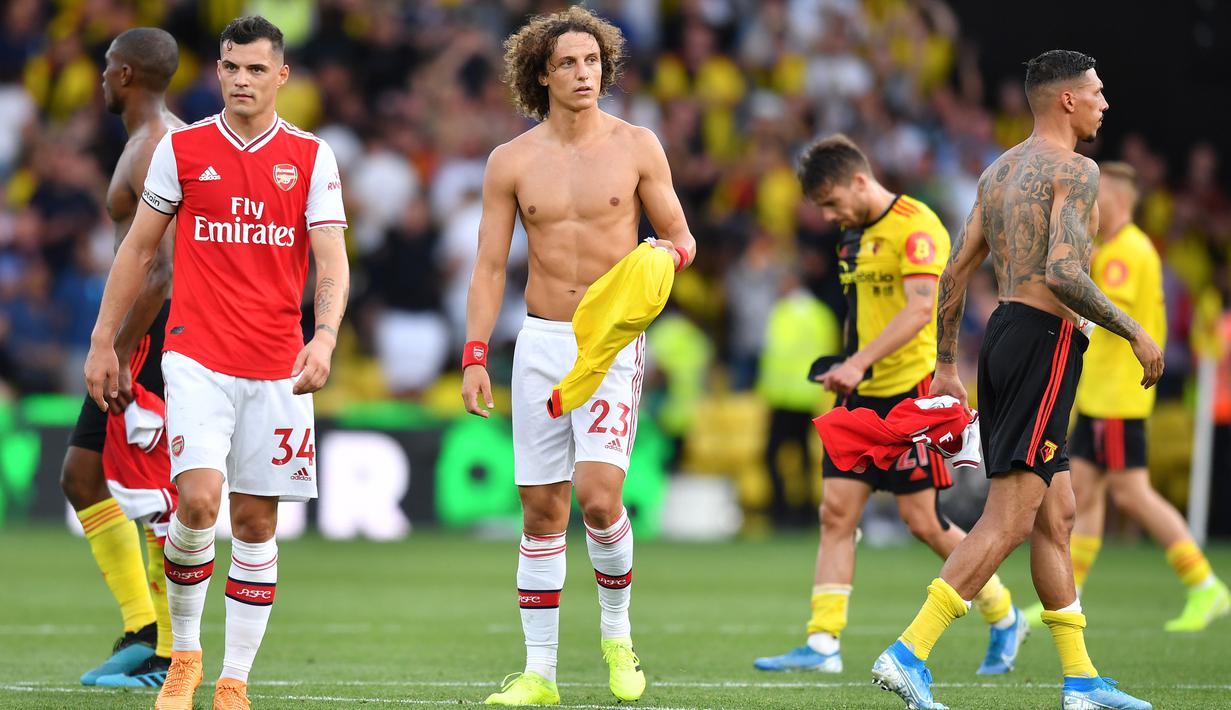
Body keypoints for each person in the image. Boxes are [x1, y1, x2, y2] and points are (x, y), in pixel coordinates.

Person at [870, 50, 1162, 710]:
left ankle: (1080, 681)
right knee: (1008, 518)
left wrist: (948, 365)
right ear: (1066, 100)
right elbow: (1063, 272)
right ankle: (908, 652)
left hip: (1003, 335)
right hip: (1045, 344)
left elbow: (953, 274)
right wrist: (1134, 331)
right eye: (1096, 91)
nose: (1104, 102)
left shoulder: (997, 171)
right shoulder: (1077, 171)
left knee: (1058, 515)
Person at [84, 16, 349, 710]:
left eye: (256, 69)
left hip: (277, 365)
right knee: (198, 502)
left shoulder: (312, 156)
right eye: (231, 67)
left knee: (256, 525)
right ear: (218, 72)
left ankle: (234, 679)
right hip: (196, 356)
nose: (241, 80)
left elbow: (331, 261)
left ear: (281, 76)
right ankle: (185, 658)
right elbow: (139, 249)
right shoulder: (183, 148)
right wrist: (103, 341)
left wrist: (323, 338)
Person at [460, 6, 696, 706]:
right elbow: (488, 267)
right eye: (567, 63)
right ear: (542, 74)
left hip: (610, 343)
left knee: (597, 498)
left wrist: (662, 261)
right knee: (540, 511)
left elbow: (682, 238)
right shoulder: (510, 161)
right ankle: (540, 674)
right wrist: (475, 354)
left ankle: (617, 637)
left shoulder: (637, 146)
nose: (582, 73)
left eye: (591, 61)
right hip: (539, 341)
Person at [752, 135, 1026, 678]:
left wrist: (859, 362)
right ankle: (823, 641)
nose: (829, 216)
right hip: (860, 395)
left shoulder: (916, 225)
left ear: (859, 181)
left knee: (923, 521)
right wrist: (847, 363)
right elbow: (863, 309)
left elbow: (921, 309)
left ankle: (1003, 612)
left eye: (832, 203)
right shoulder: (851, 236)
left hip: (910, 395)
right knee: (835, 513)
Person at [1022, 162, 1229, 630]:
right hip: (1099, 395)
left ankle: (1204, 584)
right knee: (1084, 495)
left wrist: (1075, 270)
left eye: (1095, 199)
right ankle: (1068, 595)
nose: (1088, 207)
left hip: (1118, 397)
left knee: (1132, 495)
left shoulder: (1127, 252)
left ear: (1115, 200)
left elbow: (1098, 306)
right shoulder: (1120, 249)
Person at [65, 27, 182, 689]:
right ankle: (143, 633)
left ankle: (167, 654)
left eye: (108, 66)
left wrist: (118, 345)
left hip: (151, 337)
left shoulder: (156, 145)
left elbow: (164, 267)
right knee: (82, 476)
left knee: (158, 496)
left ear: (127, 74)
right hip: (135, 334)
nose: (102, 78)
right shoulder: (147, 141)